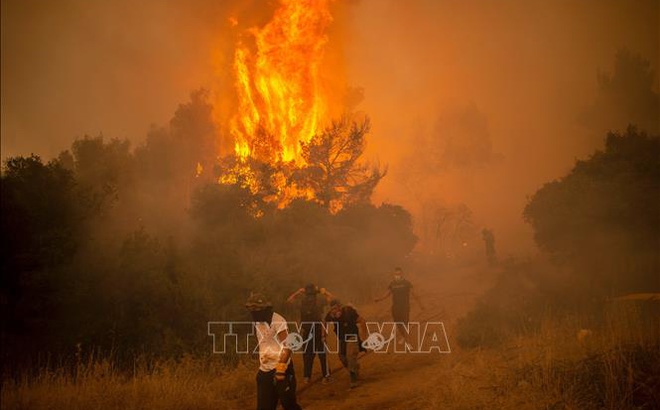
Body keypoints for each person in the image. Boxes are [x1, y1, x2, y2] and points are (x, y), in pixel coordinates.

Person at [245, 293, 302, 410]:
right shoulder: (258, 322)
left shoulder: (278, 321)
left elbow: (288, 346)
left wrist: (281, 368)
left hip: (282, 371)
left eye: (255, 308)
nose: (253, 312)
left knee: (289, 405)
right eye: (251, 309)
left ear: (264, 308)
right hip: (264, 371)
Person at [286, 283, 334, 384]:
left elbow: (289, 301)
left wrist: (298, 292)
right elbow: (332, 299)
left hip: (308, 330)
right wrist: (324, 292)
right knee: (321, 354)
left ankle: (307, 377)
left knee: (308, 355)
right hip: (318, 330)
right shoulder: (319, 301)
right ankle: (325, 375)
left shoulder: (302, 302)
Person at [374, 267, 424, 347]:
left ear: (402, 274)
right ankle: (404, 337)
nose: (397, 275)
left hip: (405, 307)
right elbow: (387, 294)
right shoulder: (392, 284)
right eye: (396, 274)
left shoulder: (407, 283)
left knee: (405, 324)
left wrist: (421, 305)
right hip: (395, 307)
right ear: (394, 275)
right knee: (398, 324)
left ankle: (408, 343)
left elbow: (414, 294)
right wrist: (379, 299)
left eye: (399, 274)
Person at [323, 299, 367, 389]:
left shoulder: (348, 311)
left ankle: (354, 378)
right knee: (342, 356)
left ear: (340, 307)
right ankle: (354, 367)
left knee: (350, 356)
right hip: (342, 338)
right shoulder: (331, 315)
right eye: (332, 309)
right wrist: (323, 335)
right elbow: (324, 322)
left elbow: (362, 321)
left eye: (335, 308)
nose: (334, 311)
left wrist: (364, 337)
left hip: (352, 336)